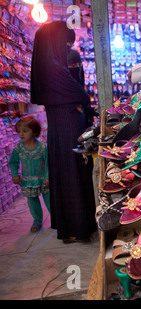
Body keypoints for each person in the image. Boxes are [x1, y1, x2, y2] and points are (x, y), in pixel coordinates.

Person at [30, 21, 97, 243]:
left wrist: (78, 99)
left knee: (67, 172)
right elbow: (81, 94)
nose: (67, 47)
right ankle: (78, 227)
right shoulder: (52, 67)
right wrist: (79, 99)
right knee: (73, 173)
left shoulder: (48, 65)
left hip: (60, 125)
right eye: (65, 42)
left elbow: (77, 94)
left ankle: (72, 227)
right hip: (68, 125)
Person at [9, 117, 50, 233]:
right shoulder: (18, 149)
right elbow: (13, 162)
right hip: (27, 181)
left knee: (49, 200)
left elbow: (48, 163)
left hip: (43, 180)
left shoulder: (42, 148)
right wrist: (15, 174)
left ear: (35, 132)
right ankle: (37, 221)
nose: (21, 134)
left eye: (25, 131)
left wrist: (47, 177)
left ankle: (57, 220)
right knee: (32, 202)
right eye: (19, 131)